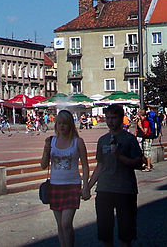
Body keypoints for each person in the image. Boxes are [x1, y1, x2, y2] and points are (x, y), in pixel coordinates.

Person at [89, 104, 143, 247]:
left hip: (125, 189)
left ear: (121, 118)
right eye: (108, 118)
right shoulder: (102, 140)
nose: (110, 121)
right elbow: (100, 165)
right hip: (104, 189)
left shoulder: (129, 139)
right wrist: (87, 186)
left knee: (126, 233)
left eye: (113, 118)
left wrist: (119, 156)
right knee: (105, 232)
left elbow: (138, 163)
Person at [41, 110, 90, 247]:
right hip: (55, 185)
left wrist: (85, 186)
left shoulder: (77, 142)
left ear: (70, 125)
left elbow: (85, 165)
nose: (62, 126)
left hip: (72, 185)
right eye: (59, 124)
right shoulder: (52, 141)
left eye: (65, 124)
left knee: (66, 223)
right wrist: (46, 149)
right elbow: (43, 165)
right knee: (60, 225)